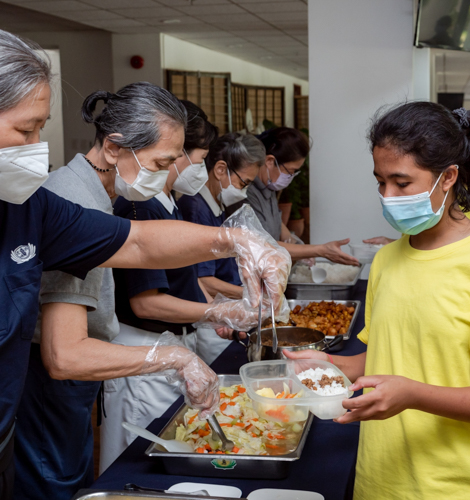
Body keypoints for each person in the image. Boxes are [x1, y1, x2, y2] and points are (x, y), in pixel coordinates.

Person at [0, 29, 288, 500]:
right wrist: (172, 355)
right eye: (26, 131)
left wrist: (238, 241)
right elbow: (65, 351)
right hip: (46, 390)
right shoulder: (70, 194)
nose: (37, 145)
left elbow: (139, 244)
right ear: (114, 148)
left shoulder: (52, 205)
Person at [288, 102, 470, 500]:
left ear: (448, 177)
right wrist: (333, 366)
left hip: (460, 487)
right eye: (380, 182)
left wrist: (414, 395)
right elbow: (393, 355)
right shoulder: (388, 260)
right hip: (382, 479)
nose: (387, 197)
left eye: (402, 184)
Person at [100, 99, 224, 472]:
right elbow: (147, 304)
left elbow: (185, 278)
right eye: (196, 159)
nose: (196, 170)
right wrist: (217, 311)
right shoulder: (141, 205)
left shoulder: (169, 202)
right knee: (135, 467)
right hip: (142, 348)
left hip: (167, 347)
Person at [247, 127, 359, 266]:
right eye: (291, 171)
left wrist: (298, 245)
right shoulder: (247, 193)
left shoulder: (267, 186)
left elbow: (276, 224)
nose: (290, 177)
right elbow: (262, 245)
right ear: (270, 161)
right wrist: (319, 250)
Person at [179, 132, 265, 301]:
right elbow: (203, 280)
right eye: (243, 183)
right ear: (220, 170)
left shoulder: (218, 204)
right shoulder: (196, 209)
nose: (243, 191)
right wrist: (251, 296)